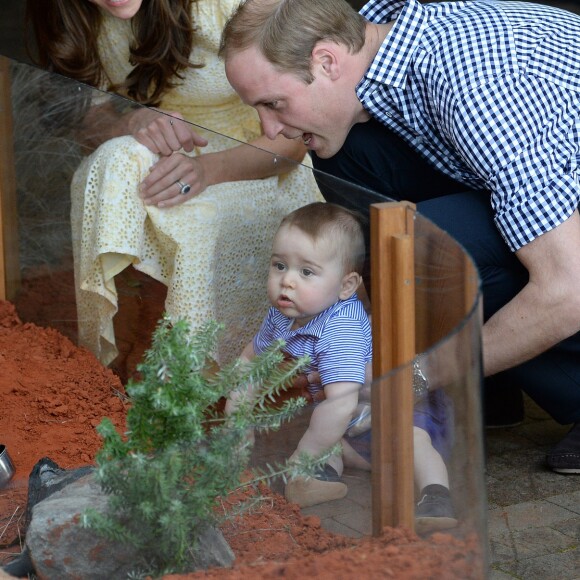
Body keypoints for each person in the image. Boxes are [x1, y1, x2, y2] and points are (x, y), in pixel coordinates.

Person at [219, 0, 580, 474]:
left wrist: (411, 379)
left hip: (570, 261)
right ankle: (486, 386)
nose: (270, 129)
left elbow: (568, 288)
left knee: (420, 247)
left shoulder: (478, 85)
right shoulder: (373, 38)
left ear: (327, 61)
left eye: (273, 103)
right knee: (343, 151)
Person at [24, 0, 324, 368]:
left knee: (197, 217)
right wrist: (129, 123)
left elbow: (297, 137)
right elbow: (90, 119)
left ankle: (197, 370)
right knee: (110, 162)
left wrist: (207, 170)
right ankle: (109, 355)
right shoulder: (75, 13)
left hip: (257, 158)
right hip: (172, 157)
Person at [226, 202, 457, 531]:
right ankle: (316, 480)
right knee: (327, 441)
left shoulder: (340, 328)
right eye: (279, 265)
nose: (287, 281)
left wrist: (302, 457)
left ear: (346, 286)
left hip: (399, 407)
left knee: (411, 440)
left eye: (306, 272)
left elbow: (341, 401)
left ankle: (436, 495)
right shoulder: (282, 314)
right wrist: (237, 418)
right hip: (355, 427)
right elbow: (248, 361)